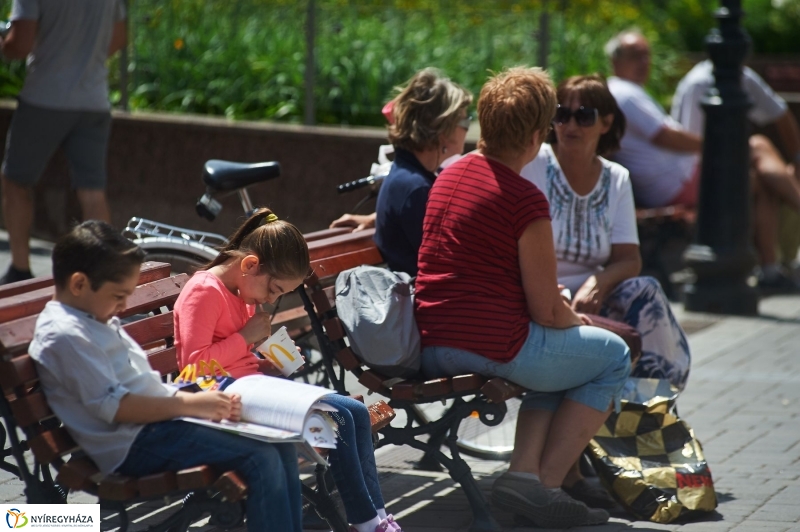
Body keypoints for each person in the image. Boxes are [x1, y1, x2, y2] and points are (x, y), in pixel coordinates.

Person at [414, 66, 631, 528]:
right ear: (537, 137)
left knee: (567, 363)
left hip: (433, 338)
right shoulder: (525, 199)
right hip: (487, 343)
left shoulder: (450, 176)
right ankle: (544, 488)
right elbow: (547, 312)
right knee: (611, 356)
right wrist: (578, 321)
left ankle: (524, 477)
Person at [28, 221, 303, 531]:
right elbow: (117, 407)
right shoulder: (66, 335)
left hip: (156, 426)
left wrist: (194, 403)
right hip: (133, 442)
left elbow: (139, 388)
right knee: (261, 458)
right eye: (119, 296)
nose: (122, 307)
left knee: (279, 446)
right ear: (79, 284)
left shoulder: (90, 317)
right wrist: (192, 405)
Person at [173, 208, 402, 532]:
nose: (269, 300)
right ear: (250, 265)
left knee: (354, 412)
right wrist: (245, 338)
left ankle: (378, 517)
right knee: (337, 416)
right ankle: (365, 524)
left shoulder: (243, 291)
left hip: (247, 388)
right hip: (219, 399)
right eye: (274, 290)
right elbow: (194, 368)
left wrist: (269, 363)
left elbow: (234, 359)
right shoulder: (204, 291)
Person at [520, 74, 691, 390]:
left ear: (606, 123)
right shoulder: (533, 162)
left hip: (591, 299)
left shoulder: (616, 179)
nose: (570, 126)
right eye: (561, 114)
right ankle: (632, 411)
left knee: (647, 290)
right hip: (540, 296)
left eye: (583, 116)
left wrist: (599, 281)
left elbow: (629, 259)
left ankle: (653, 401)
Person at [606, 30, 800, 291]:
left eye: (646, 55)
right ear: (615, 61)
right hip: (676, 184)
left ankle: (770, 270)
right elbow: (665, 136)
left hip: (678, 180)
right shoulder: (624, 92)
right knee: (757, 150)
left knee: (759, 177)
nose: (644, 62)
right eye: (635, 56)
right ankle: (770, 269)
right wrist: (721, 148)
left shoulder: (628, 92)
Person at [0, 0, 126, 284]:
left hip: (45, 97)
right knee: (92, 191)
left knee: (15, 181)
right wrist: (83, 59)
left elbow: (20, 45)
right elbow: (118, 38)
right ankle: (103, 273)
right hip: (94, 99)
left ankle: (20, 269)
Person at [329, 68, 472, 275]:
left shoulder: (405, 175)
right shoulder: (416, 189)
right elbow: (445, 265)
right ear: (443, 129)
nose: (468, 128)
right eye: (465, 121)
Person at [672, 58, 800, 289]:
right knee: (759, 157)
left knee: (761, 162)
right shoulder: (699, 83)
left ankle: (771, 271)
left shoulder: (741, 76)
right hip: (696, 175)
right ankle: (770, 271)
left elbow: (781, 114)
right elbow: (691, 150)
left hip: (724, 168)